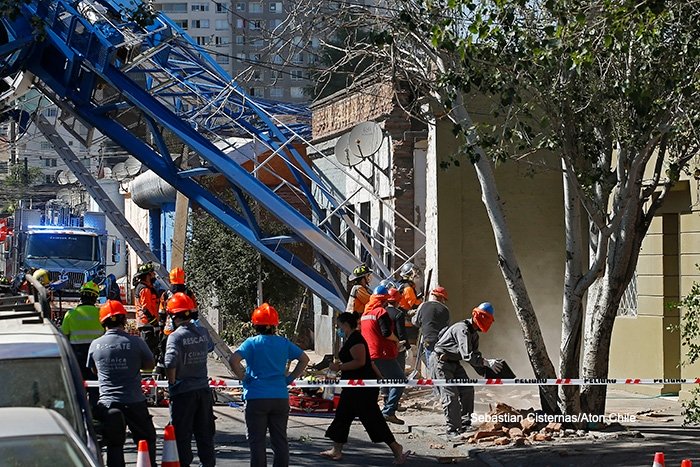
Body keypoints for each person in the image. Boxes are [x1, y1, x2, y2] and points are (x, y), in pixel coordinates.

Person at [321, 312, 411, 464]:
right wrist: (380, 378)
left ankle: (396, 447)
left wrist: (339, 367)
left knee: (372, 418)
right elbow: (370, 362)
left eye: (339, 326)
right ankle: (336, 450)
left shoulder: (356, 339)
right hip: (353, 386)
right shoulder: (351, 339)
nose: (338, 329)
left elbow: (361, 361)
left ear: (346, 325)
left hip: (361, 388)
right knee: (343, 416)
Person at [230, 303, 309, 467]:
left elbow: (234, 360)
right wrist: (290, 378)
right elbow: (304, 359)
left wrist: (243, 377)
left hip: (256, 397)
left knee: (257, 442)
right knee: (280, 441)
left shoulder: (251, 343)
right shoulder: (284, 343)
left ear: (255, 324)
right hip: (279, 396)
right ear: (275, 325)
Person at [87, 300, 157, 467]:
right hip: (134, 401)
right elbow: (149, 366)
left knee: (114, 445)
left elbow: (94, 370)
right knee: (146, 441)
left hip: (109, 404)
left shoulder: (95, 345)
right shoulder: (136, 342)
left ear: (102, 321)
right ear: (124, 320)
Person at [430, 302, 503, 438]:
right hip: (440, 362)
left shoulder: (474, 334)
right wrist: (486, 362)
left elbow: (475, 356)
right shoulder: (462, 329)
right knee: (450, 395)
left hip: (453, 362)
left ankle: (465, 423)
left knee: (467, 389)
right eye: (484, 317)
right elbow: (467, 355)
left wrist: (486, 372)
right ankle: (452, 429)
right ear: (476, 315)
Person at [164, 292, 216, 467]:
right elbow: (209, 347)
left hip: (183, 392)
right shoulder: (202, 331)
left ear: (173, 316)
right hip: (203, 391)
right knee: (205, 434)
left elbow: (170, 362)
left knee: (182, 436)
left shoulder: (175, 336)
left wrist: (172, 383)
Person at [361, 285, 405, 425]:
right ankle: (388, 411)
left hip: (369, 354)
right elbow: (386, 333)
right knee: (400, 380)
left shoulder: (365, 315)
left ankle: (370, 412)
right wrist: (397, 341)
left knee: (377, 383)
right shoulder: (381, 312)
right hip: (382, 354)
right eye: (386, 300)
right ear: (384, 300)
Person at [61, 280, 103, 407]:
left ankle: (79, 415)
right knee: (95, 387)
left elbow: (64, 335)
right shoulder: (100, 314)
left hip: (76, 355)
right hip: (96, 356)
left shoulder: (71, 314)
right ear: (95, 297)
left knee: (78, 387)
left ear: (81, 296)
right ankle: (95, 417)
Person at [156, 267, 198, 377]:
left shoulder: (166, 294)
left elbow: (161, 313)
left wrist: (160, 329)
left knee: (166, 353)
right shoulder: (189, 293)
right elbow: (195, 313)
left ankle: (165, 374)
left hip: (169, 330)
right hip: (186, 330)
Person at [412, 286, 451, 366]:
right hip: (441, 341)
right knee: (438, 365)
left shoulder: (423, 306)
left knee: (430, 363)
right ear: (442, 298)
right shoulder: (445, 310)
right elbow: (448, 327)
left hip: (428, 340)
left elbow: (415, 322)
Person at [133, 262, 160, 360]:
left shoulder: (148, 288)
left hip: (148, 324)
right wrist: (155, 324)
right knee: (149, 353)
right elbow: (146, 309)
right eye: (152, 273)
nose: (154, 275)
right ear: (148, 275)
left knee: (153, 352)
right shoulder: (144, 289)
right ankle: (147, 373)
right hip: (147, 325)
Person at [386, 287, 409, 374]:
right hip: (397, 347)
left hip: (385, 346)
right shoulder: (399, 314)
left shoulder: (382, 312)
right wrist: (407, 346)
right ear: (397, 300)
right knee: (398, 374)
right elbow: (401, 333)